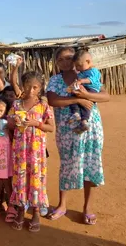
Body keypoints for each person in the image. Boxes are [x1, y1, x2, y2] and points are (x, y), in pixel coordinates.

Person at [46, 46, 110, 226]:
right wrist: (78, 99)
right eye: (60, 60)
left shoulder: (88, 74)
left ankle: (87, 208)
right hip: (68, 131)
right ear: (56, 63)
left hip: (92, 128)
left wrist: (87, 94)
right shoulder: (55, 80)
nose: (65, 62)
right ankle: (62, 205)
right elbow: (52, 100)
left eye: (68, 58)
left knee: (92, 164)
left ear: (75, 59)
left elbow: (106, 96)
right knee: (67, 165)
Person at [8, 72, 54, 232]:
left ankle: (36, 212)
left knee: (36, 179)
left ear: (40, 88)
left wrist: (37, 123)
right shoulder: (16, 104)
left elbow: (51, 127)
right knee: (20, 179)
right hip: (20, 150)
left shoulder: (43, 106)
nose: (31, 90)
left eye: (35, 87)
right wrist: (14, 121)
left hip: (36, 152)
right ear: (22, 86)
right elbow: (9, 123)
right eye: (27, 86)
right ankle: (21, 210)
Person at [68, 49, 103, 133]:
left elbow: (92, 80)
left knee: (86, 105)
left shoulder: (93, 71)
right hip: (85, 88)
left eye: (79, 65)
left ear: (88, 61)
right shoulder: (82, 72)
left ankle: (84, 120)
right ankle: (77, 115)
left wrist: (81, 81)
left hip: (92, 89)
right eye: (76, 66)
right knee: (73, 98)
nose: (77, 68)